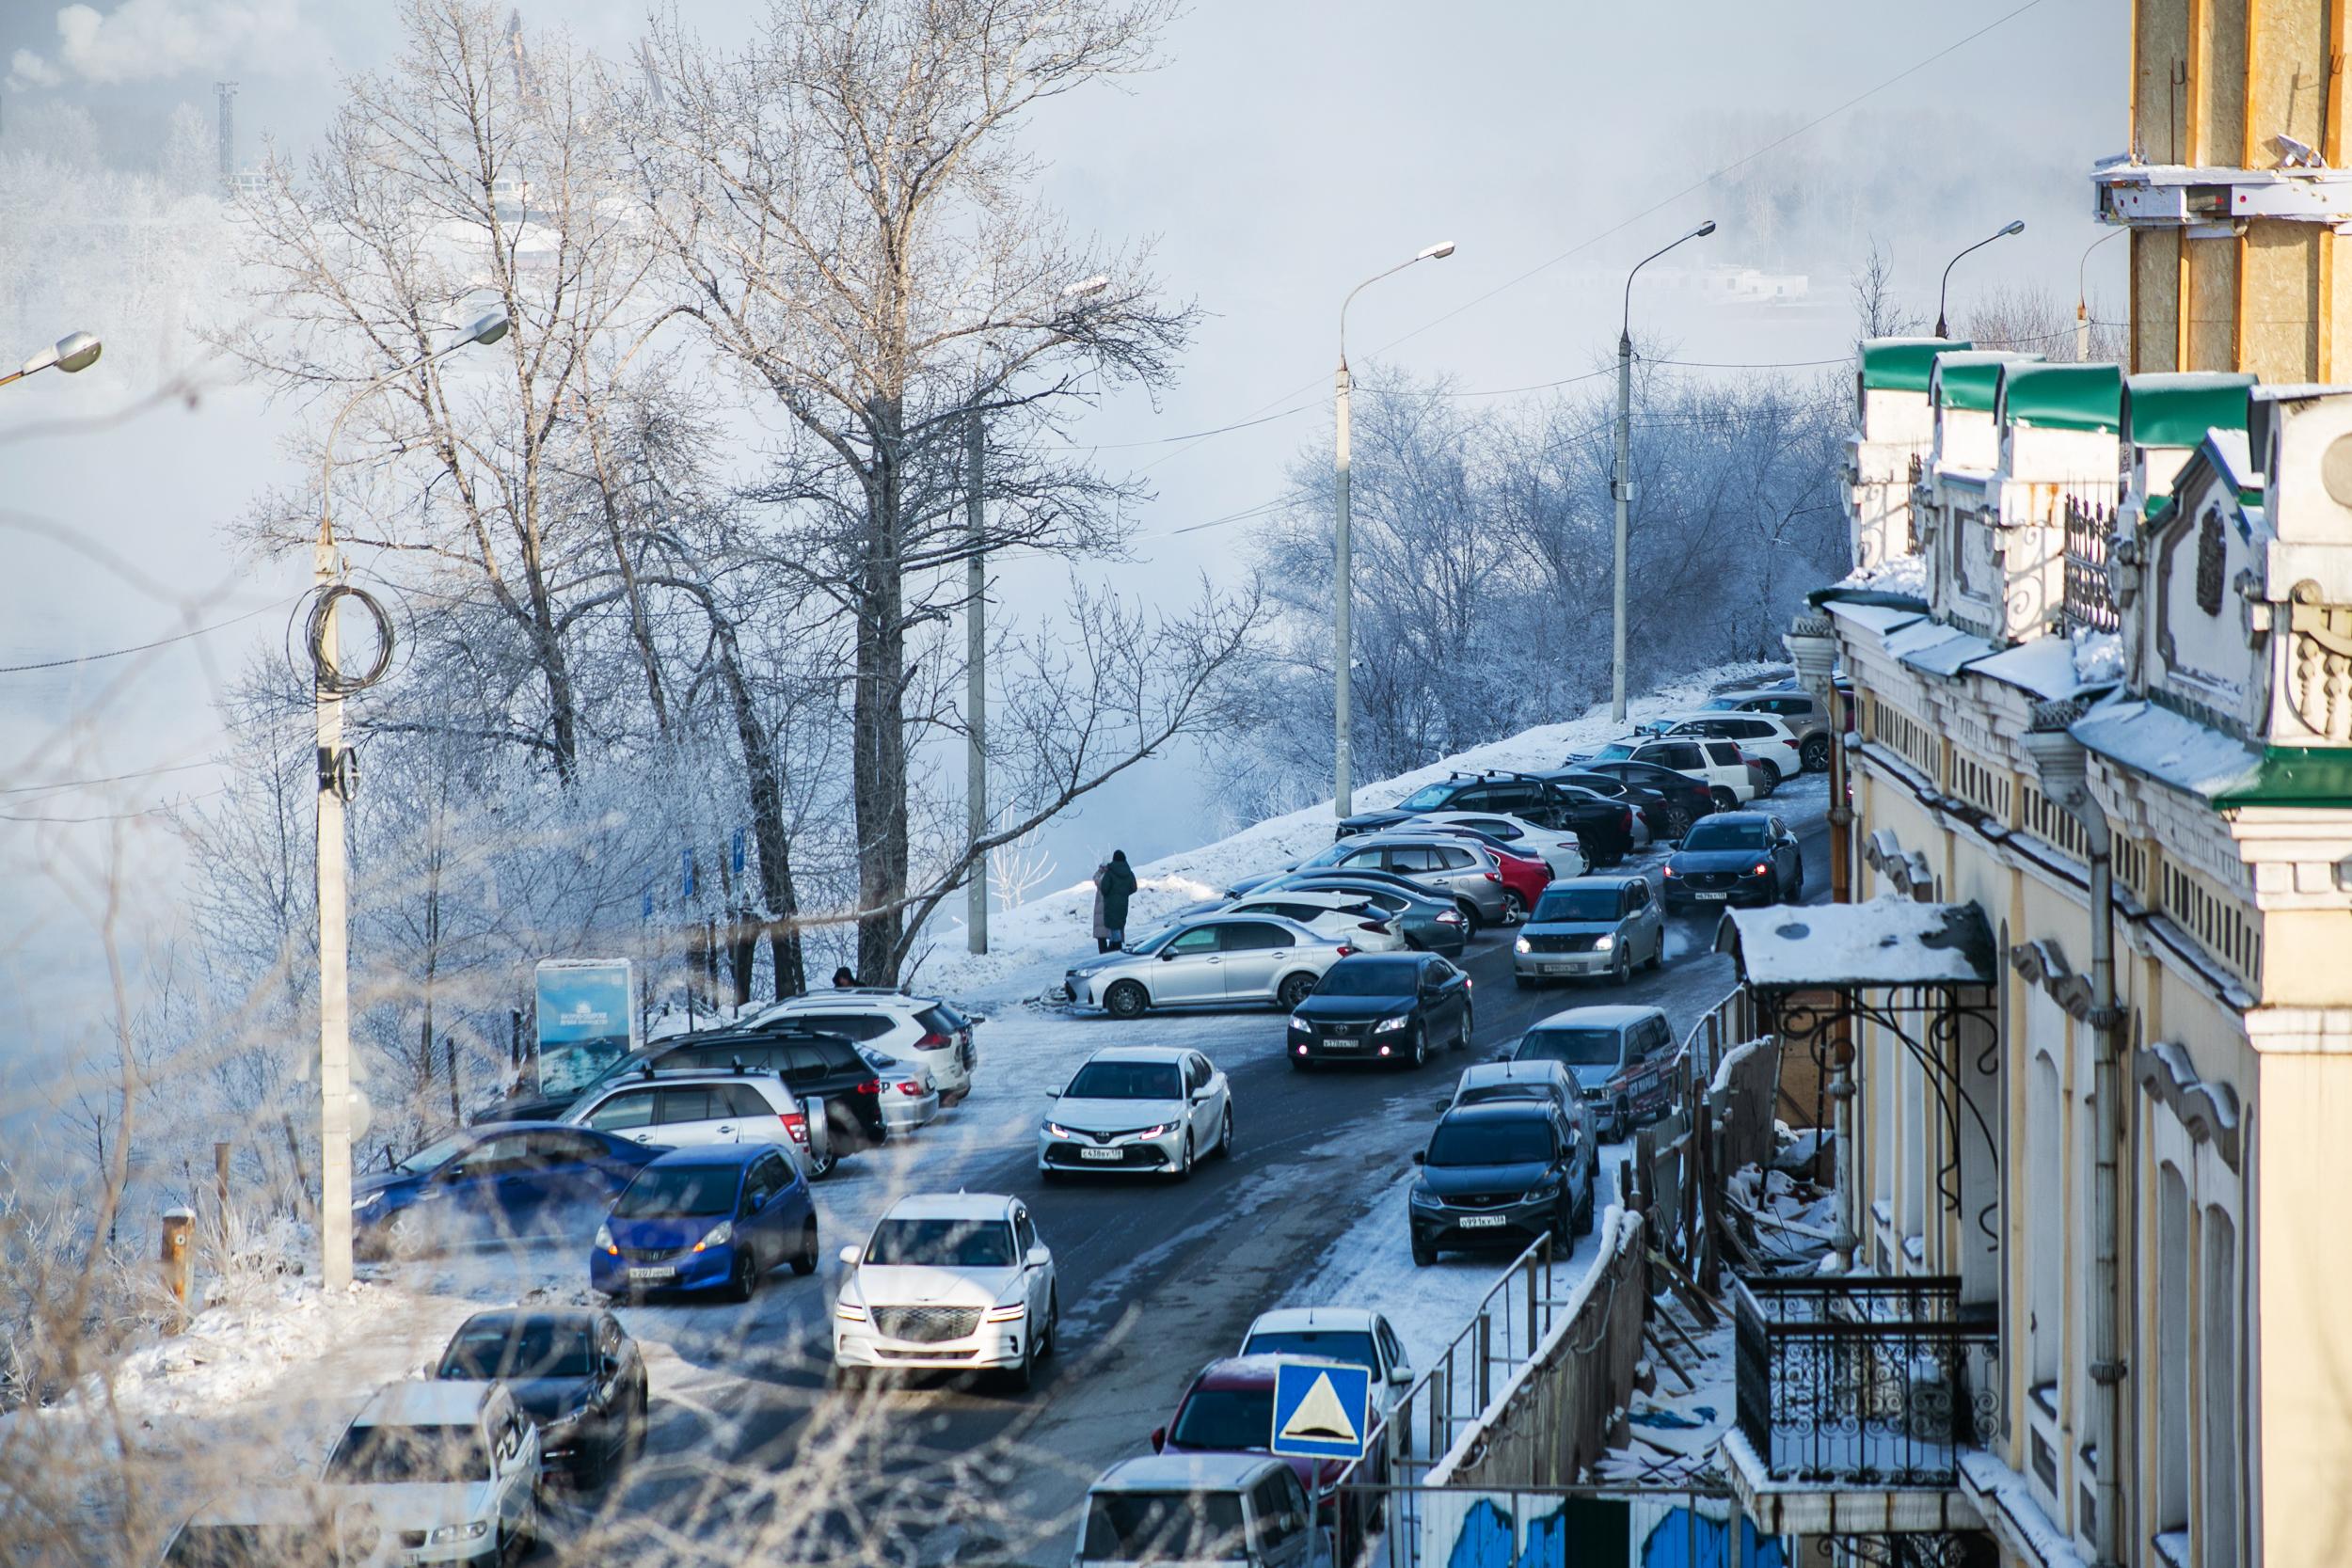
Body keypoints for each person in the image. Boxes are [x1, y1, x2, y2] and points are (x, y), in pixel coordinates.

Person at [1091, 849, 1137, 954]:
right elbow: (1133, 887)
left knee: (1108, 935)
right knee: (1115, 932)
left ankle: (1110, 956)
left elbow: (1103, 886)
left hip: (1107, 908)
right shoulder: (1128, 872)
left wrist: (1101, 872)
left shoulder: (1109, 874)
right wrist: (1123, 894)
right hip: (1121, 907)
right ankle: (1115, 952)